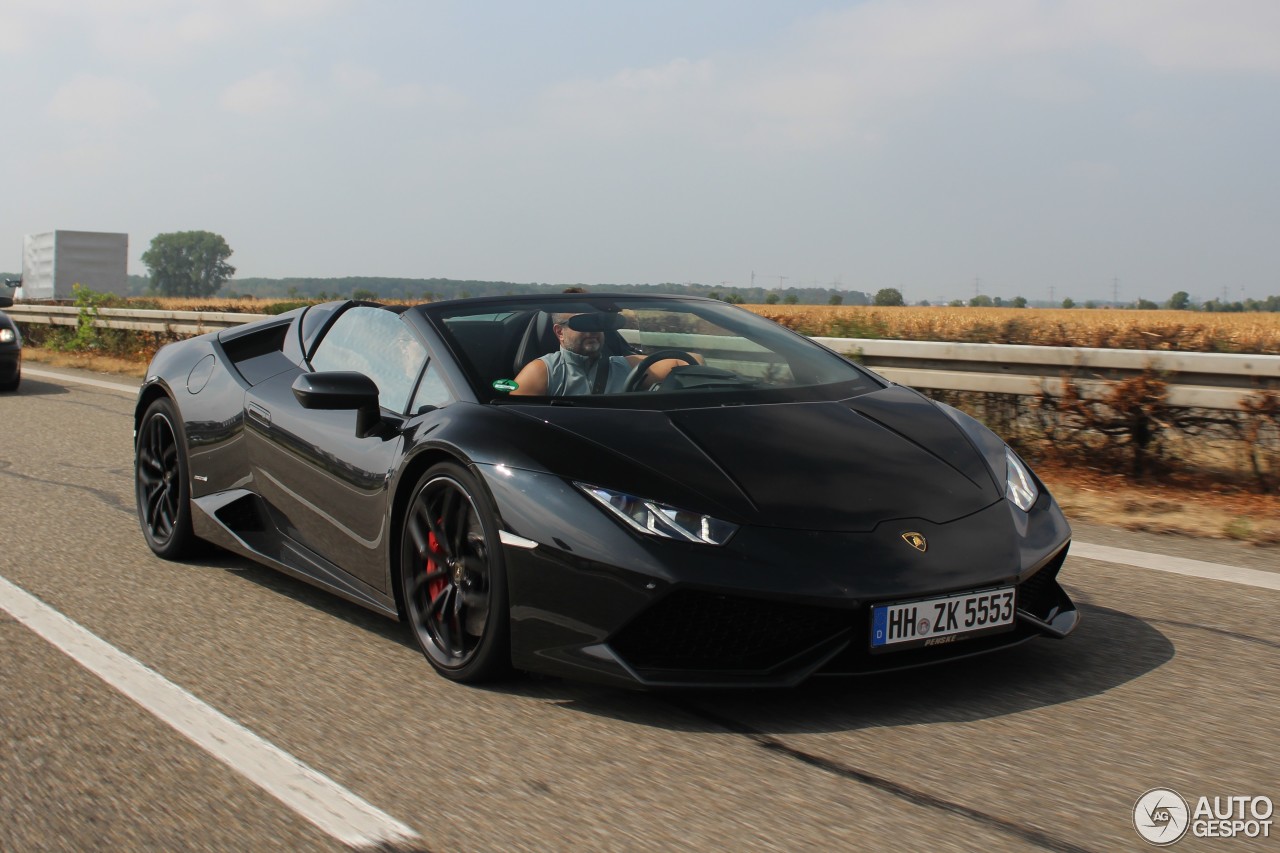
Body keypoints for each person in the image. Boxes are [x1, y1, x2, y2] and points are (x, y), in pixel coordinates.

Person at [510, 311, 698, 396]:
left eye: (597, 323)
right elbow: (512, 424)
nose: (592, 331)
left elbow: (691, 362)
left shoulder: (626, 366)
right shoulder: (542, 371)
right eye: (582, 324)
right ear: (560, 332)